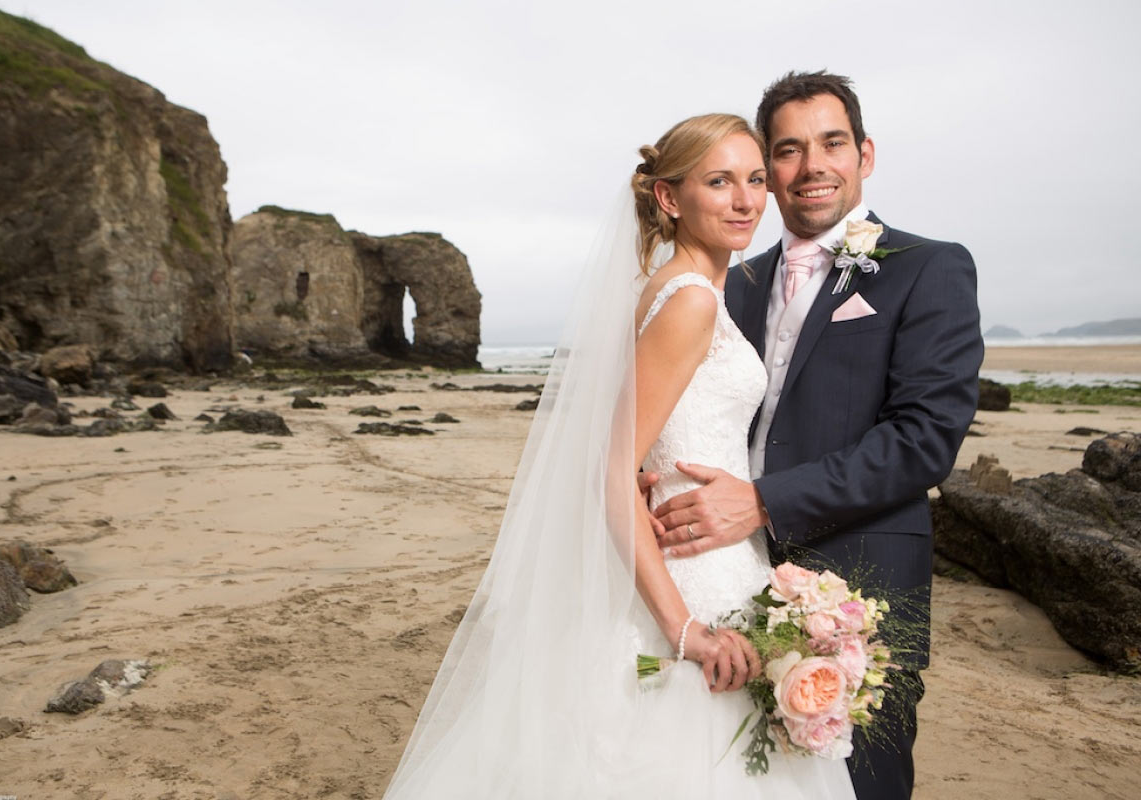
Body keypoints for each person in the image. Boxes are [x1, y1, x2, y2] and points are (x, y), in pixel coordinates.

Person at [381, 113, 855, 799]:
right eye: (719, 182)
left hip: (710, 554)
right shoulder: (689, 301)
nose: (746, 200)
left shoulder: (670, 288)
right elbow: (613, 469)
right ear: (670, 198)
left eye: (755, 179)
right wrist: (683, 627)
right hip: (693, 577)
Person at [651, 71, 983, 800]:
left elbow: (924, 438)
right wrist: (654, 469)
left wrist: (764, 501)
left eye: (832, 142)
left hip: (859, 591)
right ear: (769, 170)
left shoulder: (928, 268)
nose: (812, 166)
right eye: (790, 150)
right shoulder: (730, 282)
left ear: (865, 153)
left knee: (861, 784)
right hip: (726, 579)